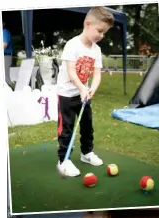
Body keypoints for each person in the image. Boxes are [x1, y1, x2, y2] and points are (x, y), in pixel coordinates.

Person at [55, 6, 114, 177]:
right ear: (88, 24)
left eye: (105, 33)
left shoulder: (96, 50)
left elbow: (96, 74)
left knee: (87, 126)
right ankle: (63, 160)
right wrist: (82, 88)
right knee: (66, 128)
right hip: (66, 94)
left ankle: (86, 154)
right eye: (100, 31)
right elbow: (72, 72)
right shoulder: (72, 45)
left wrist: (91, 89)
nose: (102, 36)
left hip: (83, 95)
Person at [2, 21, 13, 87]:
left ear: (3, 24)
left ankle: (10, 91)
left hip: (5, 56)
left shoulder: (4, 32)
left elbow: (4, 45)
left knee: (5, 76)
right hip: (4, 56)